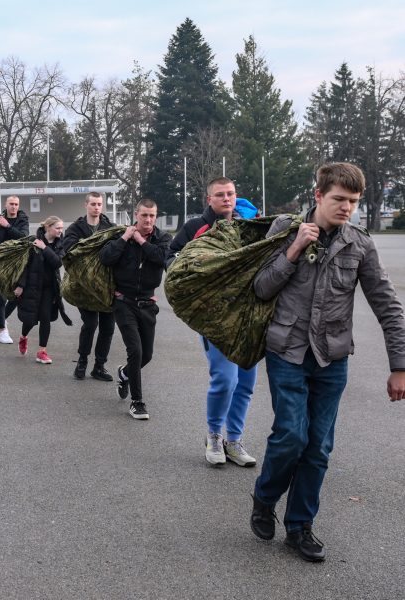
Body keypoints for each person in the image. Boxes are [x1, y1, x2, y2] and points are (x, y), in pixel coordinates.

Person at [250, 163, 405, 562]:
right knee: (291, 436)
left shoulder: (359, 243)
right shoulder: (285, 230)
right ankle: (265, 498)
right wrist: (294, 250)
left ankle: (299, 526)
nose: (347, 208)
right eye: (339, 199)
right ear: (318, 195)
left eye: (353, 201)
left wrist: (399, 365)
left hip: (331, 359)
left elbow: (388, 305)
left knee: (318, 447)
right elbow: (261, 288)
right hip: (287, 351)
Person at [166, 177, 258, 466]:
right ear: (209, 199)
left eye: (230, 193)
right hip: (215, 317)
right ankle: (214, 435)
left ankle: (234, 440)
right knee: (225, 380)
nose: (226, 199)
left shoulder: (250, 225)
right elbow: (172, 257)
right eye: (220, 195)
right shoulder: (196, 227)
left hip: (248, 315)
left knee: (245, 382)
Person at [100, 199, 171, 420]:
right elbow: (106, 258)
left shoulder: (163, 238)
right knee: (136, 351)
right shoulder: (122, 236)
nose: (148, 220)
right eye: (144, 215)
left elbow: (162, 258)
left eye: (152, 215)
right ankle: (137, 402)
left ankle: (124, 373)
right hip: (124, 302)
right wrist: (125, 238)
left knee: (146, 355)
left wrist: (140, 240)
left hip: (148, 303)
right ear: (136, 215)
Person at [62, 191, 116, 381]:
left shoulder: (110, 228)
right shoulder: (75, 228)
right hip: (83, 287)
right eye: (93, 204)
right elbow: (69, 250)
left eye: (99, 204)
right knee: (91, 324)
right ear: (86, 205)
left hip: (106, 287)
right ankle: (82, 361)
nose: (96, 207)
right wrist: (96, 246)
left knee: (108, 327)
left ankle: (99, 366)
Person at [14, 216, 68, 364]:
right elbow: (25, 266)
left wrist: (44, 248)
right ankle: (23, 337)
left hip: (49, 288)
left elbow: (57, 263)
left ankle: (42, 352)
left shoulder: (60, 244)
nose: (60, 231)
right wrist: (20, 285)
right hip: (32, 286)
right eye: (58, 228)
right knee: (30, 320)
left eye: (62, 228)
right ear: (48, 227)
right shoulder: (33, 242)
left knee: (45, 317)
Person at [0, 195, 29, 343]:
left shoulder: (23, 220)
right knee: (0, 297)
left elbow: (23, 237)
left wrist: (8, 226)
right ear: (6, 204)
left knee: (17, 295)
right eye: (11, 203)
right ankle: (2, 331)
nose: (14, 206)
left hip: (15, 264)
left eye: (16, 204)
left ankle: (2, 318)